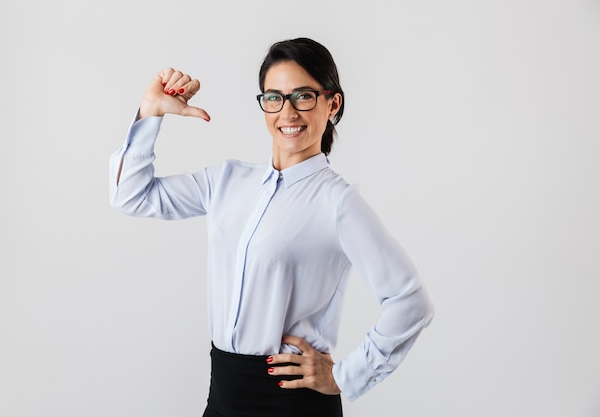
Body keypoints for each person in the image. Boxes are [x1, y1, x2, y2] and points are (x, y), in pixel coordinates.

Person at [109, 37, 434, 417]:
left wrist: (346, 377)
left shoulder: (338, 203)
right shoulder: (227, 181)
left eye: (304, 96)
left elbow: (410, 301)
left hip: (291, 402)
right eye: (274, 97)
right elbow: (130, 195)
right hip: (223, 396)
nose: (288, 112)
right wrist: (152, 112)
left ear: (333, 103)